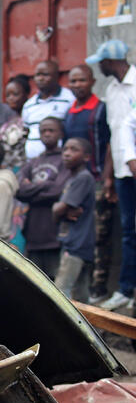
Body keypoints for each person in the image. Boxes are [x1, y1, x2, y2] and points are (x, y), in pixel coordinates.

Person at [88, 39, 136, 310]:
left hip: (133, 164)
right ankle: (126, 290)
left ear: (112, 61)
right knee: (129, 231)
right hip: (122, 171)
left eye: (102, 62)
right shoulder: (111, 90)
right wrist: (108, 176)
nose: (100, 67)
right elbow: (113, 137)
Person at [63, 64, 113, 302]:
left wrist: (107, 178)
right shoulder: (70, 111)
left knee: (99, 235)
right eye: (73, 81)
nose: (77, 85)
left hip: (96, 182)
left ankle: (97, 287)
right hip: (77, 183)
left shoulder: (100, 109)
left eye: (81, 80)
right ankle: (80, 289)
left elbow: (109, 144)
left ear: (92, 82)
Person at [17, 117, 70, 279]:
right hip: (33, 234)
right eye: (43, 131)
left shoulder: (65, 160)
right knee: (34, 282)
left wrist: (31, 189)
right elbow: (19, 190)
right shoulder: (34, 162)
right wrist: (46, 185)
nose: (46, 134)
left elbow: (58, 191)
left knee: (56, 285)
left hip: (54, 235)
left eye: (51, 130)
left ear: (61, 133)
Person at [53, 138, 97, 303]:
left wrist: (58, 209)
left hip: (76, 243)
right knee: (80, 295)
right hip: (77, 243)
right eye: (65, 149)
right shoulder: (72, 179)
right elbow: (59, 211)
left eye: (74, 149)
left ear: (86, 157)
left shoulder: (83, 178)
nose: (67, 154)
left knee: (60, 294)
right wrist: (59, 209)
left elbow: (58, 210)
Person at [22, 60, 75, 159]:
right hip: (33, 162)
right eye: (38, 75)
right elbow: (26, 132)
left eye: (45, 75)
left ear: (56, 77)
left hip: (60, 162)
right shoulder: (29, 105)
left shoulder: (69, 99)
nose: (41, 78)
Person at [0, 75, 31, 172]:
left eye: (15, 94)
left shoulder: (28, 121)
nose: (11, 98)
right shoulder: (8, 123)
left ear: (26, 94)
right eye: (8, 95)